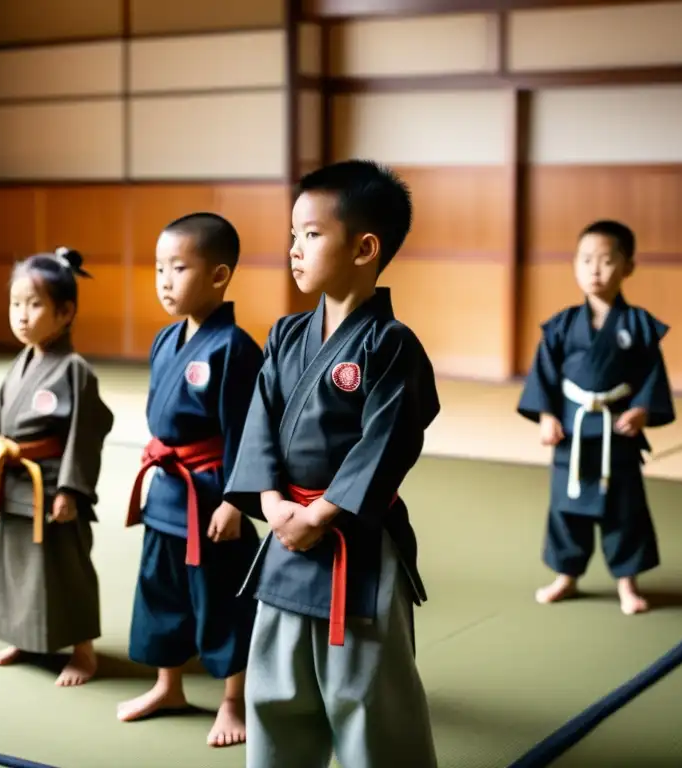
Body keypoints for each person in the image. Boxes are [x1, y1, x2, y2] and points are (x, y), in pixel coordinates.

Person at [223, 160, 439, 768]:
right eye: (292, 234)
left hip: (354, 542)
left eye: (311, 234)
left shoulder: (390, 344)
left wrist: (321, 514)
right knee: (276, 684)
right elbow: (259, 422)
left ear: (365, 248)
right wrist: (270, 505)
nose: (294, 248)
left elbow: (390, 441)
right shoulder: (288, 333)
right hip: (287, 529)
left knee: (367, 692)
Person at [119, 213, 263, 748]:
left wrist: (236, 502)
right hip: (168, 494)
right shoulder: (165, 339)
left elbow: (248, 434)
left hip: (211, 498)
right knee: (161, 594)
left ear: (220, 276)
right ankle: (168, 685)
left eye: (178, 268)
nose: (164, 280)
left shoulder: (235, 348)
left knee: (220, 601)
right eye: (160, 268)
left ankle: (233, 699)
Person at [518, 219, 675, 616]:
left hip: (615, 430)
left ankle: (627, 583)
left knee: (623, 507)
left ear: (628, 267)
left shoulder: (638, 325)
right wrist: (547, 415)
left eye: (607, 261)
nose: (595, 270)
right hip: (571, 431)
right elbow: (544, 375)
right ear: (574, 265)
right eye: (586, 260)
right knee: (566, 506)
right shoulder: (562, 325)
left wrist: (641, 409)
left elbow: (652, 375)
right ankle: (566, 576)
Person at [0, 247, 114, 687]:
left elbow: (87, 432)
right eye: (16, 304)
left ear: (65, 311)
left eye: (34, 305)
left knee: (63, 568)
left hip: (51, 489)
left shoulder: (74, 370)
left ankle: (83, 651)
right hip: (15, 482)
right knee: (17, 567)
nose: (22, 315)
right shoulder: (20, 362)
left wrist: (71, 490)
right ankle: (25, 636)